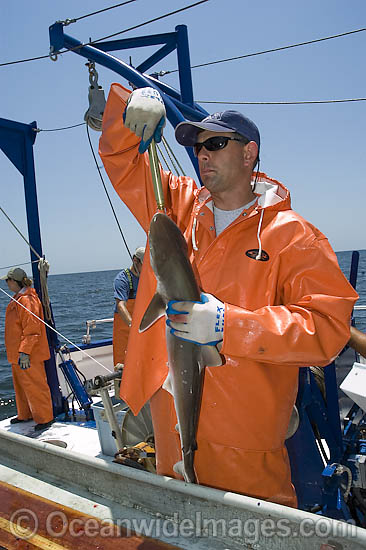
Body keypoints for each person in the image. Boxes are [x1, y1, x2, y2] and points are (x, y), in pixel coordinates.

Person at [99, 84, 358, 508]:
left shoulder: (295, 236)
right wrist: (127, 108)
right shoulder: (175, 206)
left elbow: (327, 329)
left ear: (249, 152)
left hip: (245, 438)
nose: (202, 154)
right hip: (172, 429)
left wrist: (229, 326)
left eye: (215, 143)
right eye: (198, 146)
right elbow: (123, 160)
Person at [1, 267, 54, 431]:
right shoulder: (19, 298)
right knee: (22, 386)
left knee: (35, 385)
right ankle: (25, 414)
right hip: (18, 354)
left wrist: (25, 352)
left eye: (7, 280)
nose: (6, 283)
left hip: (29, 354)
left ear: (13, 281)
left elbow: (32, 328)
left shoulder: (27, 300)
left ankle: (45, 418)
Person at [113, 247, 145, 366]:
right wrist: (133, 326)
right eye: (144, 263)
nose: (147, 267)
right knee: (123, 364)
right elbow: (121, 305)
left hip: (143, 327)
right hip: (125, 329)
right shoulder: (122, 279)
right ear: (135, 260)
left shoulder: (148, 277)